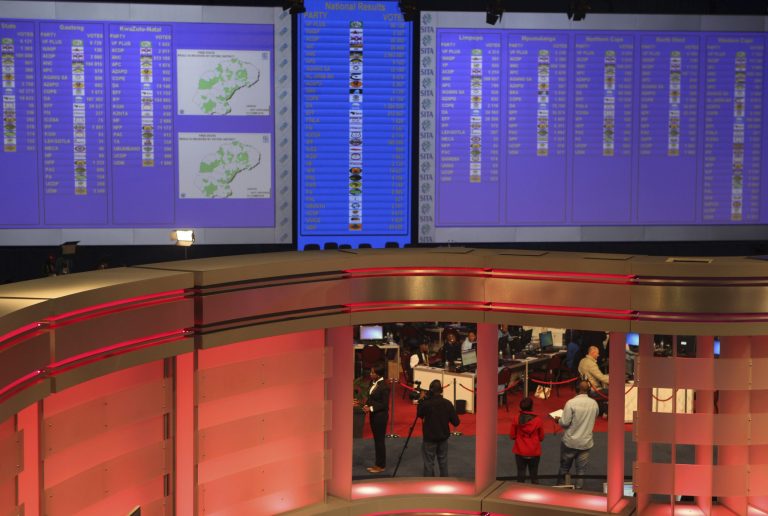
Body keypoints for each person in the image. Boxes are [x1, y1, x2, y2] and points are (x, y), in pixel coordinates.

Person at [555, 380, 599, 488]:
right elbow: (595, 416)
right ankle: (579, 490)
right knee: (581, 470)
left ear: (576, 389)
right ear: (588, 390)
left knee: (565, 467)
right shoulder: (594, 403)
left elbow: (565, 423)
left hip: (570, 442)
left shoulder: (571, 403)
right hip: (585, 442)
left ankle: (561, 488)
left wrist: (558, 420)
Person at [417, 379, 460, 476]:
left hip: (429, 439)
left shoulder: (426, 404)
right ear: (441, 390)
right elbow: (456, 422)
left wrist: (421, 400)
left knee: (428, 464)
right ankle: (445, 485)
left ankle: (429, 486)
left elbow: (419, 414)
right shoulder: (447, 403)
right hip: (443, 438)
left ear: (430, 390)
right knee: (443, 463)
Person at [510, 397, 545, 484]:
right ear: (531, 406)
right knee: (534, 474)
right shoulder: (538, 420)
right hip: (534, 451)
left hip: (520, 451)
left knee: (521, 474)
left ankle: (519, 493)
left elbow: (512, 436)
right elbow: (541, 437)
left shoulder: (516, 418)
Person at [363, 366, 389, 473]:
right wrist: (366, 405)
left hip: (381, 417)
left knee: (379, 441)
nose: (370, 374)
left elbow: (384, 404)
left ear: (378, 374)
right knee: (376, 441)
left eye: (372, 372)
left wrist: (371, 408)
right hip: (374, 415)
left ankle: (381, 465)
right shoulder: (372, 383)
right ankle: (377, 464)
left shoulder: (384, 387)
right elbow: (371, 398)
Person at [578, 345, 609, 416]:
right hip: (594, 390)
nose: (598, 355)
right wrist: (616, 380)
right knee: (613, 392)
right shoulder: (591, 364)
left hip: (586, 389)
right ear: (593, 353)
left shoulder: (582, 361)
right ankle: (606, 411)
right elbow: (601, 378)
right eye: (597, 353)